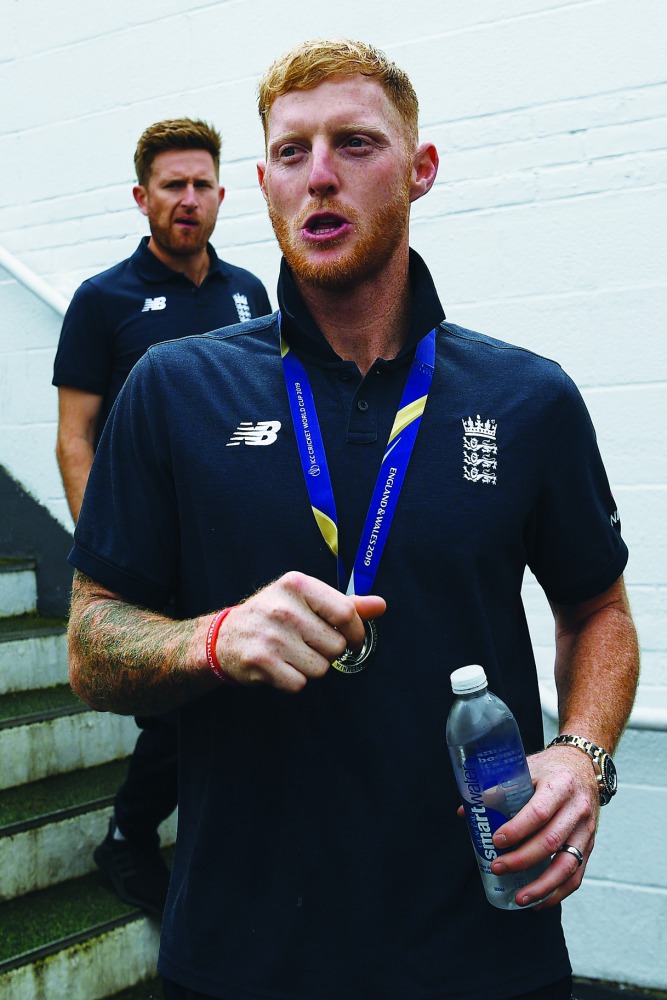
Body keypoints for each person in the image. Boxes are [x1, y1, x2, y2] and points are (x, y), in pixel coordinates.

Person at [66, 39, 639, 1000]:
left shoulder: (527, 396)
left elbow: (599, 612)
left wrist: (582, 756)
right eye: (292, 152)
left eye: (356, 144)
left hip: (484, 951)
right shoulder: (173, 389)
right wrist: (212, 640)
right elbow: (91, 644)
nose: (320, 176)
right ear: (264, 184)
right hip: (242, 957)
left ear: (420, 169)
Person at [53, 117, 272, 918]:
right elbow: (75, 437)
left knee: (241, 694)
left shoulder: (249, 291)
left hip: (237, 538)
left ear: (222, 193)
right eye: (172, 185)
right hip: (152, 546)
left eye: (201, 184)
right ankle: (129, 837)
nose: (189, 198)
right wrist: (106, 552)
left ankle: (220, 847)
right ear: (141, 197)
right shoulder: (102, 300)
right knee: (177, 706)